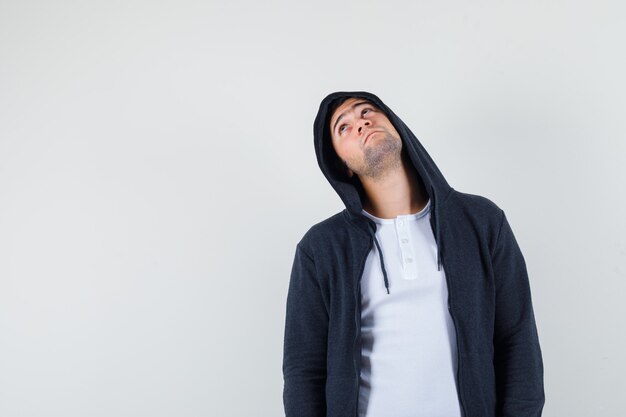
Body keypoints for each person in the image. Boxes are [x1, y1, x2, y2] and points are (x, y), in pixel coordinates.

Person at [282, 91, 545, 417]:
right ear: (342, 165)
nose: (361, 122)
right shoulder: (320, 248)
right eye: (343, 127)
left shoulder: (482, 221)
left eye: (367, 111)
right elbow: (303, 370)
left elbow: (517, 340)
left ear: (396, 126)